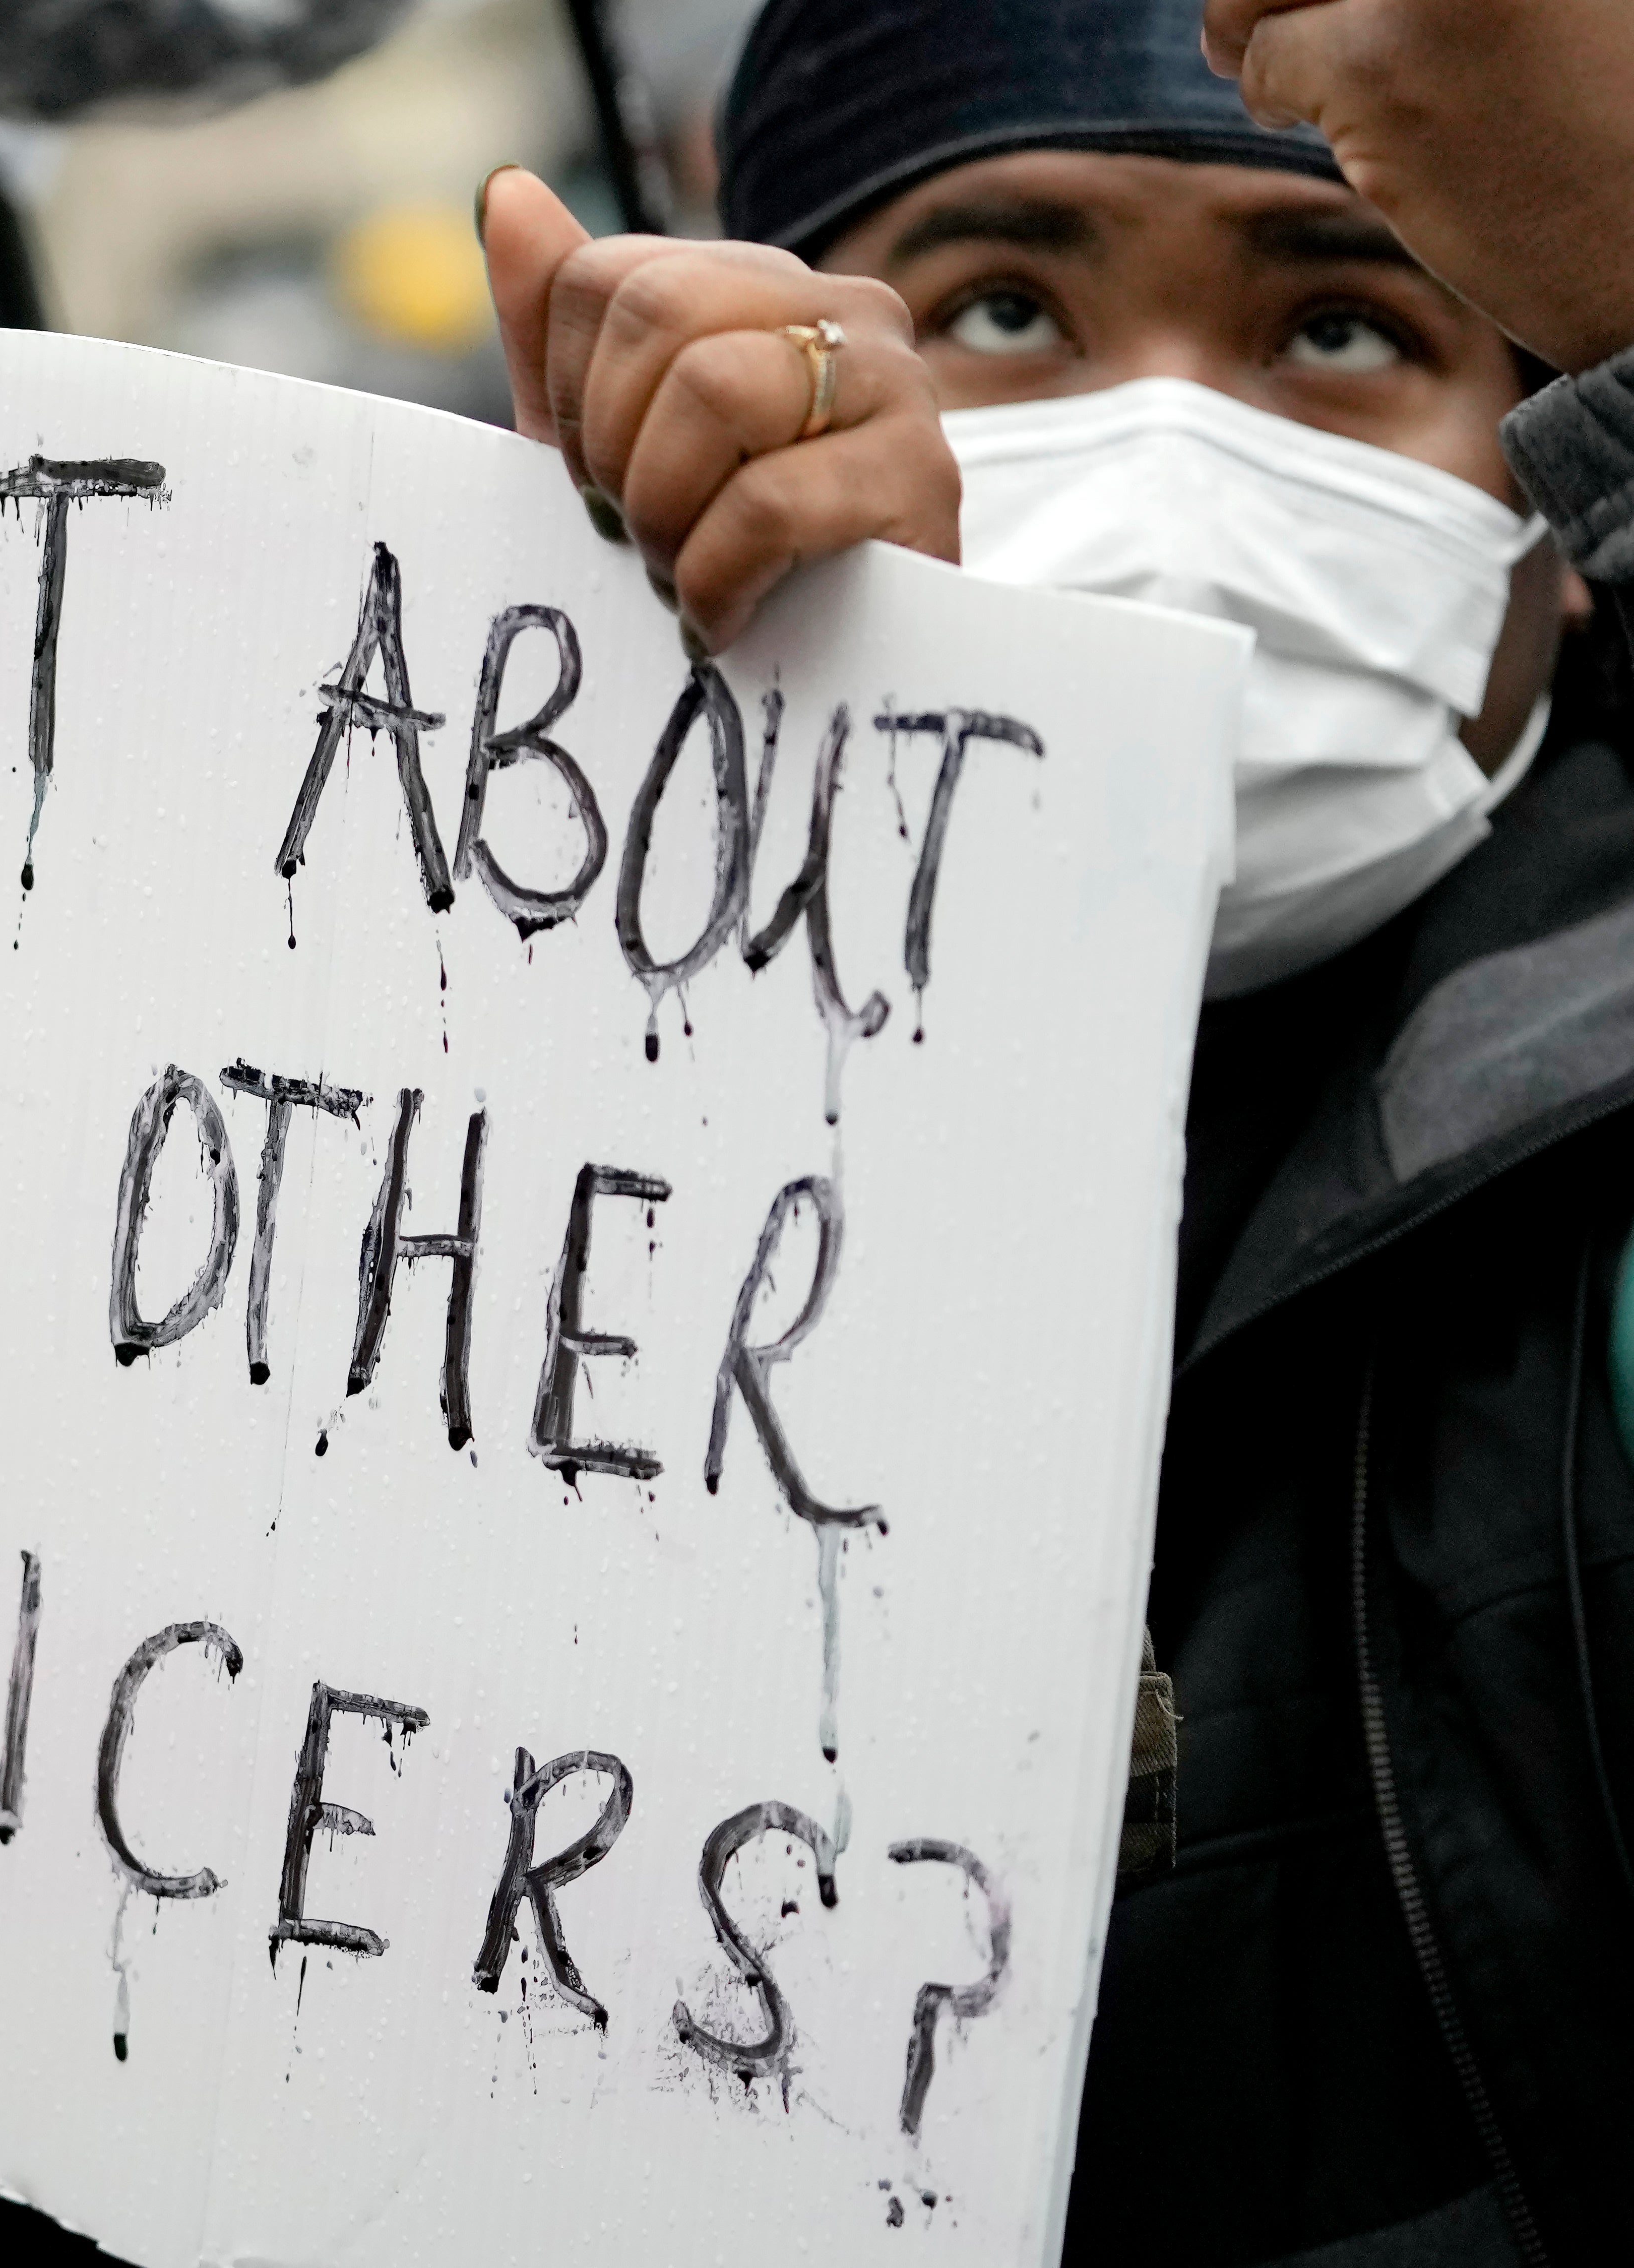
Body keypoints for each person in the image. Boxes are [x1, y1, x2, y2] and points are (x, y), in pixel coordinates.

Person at [475, 1, 1634, 2259]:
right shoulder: (534, 1167)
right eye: (1003, 308)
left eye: (1333, 325)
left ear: (1560, 499)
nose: (1171, 450)